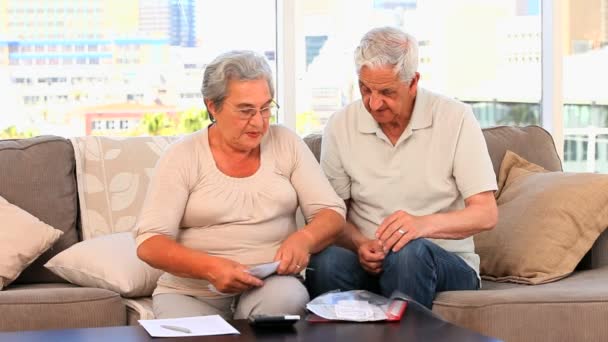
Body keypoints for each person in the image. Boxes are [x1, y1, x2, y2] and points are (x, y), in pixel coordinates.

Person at [134, 50, 346, 320]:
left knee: (287, 300)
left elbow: (331, 212)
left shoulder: (286, 143)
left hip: (270, 283)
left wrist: (304, 239)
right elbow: (150, 243)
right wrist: (211, 268)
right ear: (213, 106)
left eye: (266, 108)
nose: (258, 122)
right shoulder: (182, 156)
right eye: (246, 110)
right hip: (192, 292)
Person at [304, 27, 498, 309]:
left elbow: (485, 214)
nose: (374, 102)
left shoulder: (455, 118)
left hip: (441, 261)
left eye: (386, 92)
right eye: (365, 89)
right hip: (371, 263)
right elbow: (333, 215)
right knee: (324, 262)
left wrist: (421, 226)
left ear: (413, 81)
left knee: (409, 253)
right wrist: (360, 244)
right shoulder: (340, 125)